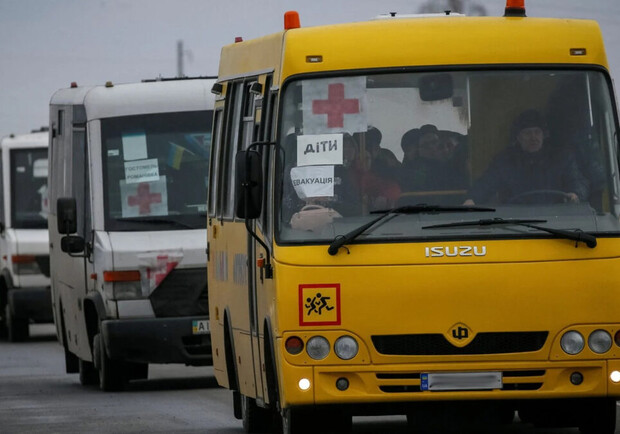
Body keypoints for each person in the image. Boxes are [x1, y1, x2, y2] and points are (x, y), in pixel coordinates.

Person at [464, 109, 588, 205]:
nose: (533, 137)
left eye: (537, 132)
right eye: (527, 133)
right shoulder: (505, 162)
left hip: (557, 221)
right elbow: (486, 184)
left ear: (543, 135)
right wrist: (472, 199)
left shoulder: (562, 158)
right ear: (518, 138)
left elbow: (577, 182)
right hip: (515, 223)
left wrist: (576, 193)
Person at [399, 124, 468, 192]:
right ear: (419, 151)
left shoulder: (459, 160)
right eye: (425, 145)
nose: (432, 147)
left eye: (434, 142)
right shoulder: (415, 172)